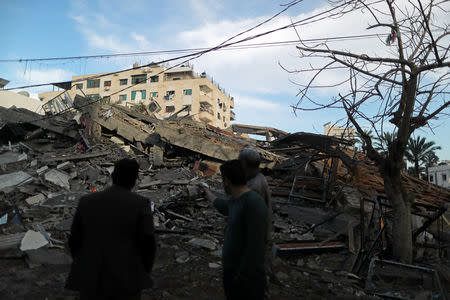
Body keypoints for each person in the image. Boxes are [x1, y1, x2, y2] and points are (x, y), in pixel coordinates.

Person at [66, 158, 156, 300]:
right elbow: (148, 244)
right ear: (134, 180)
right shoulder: (141, 204)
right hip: (126, 279)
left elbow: (74, 240)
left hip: (91, 277)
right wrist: (143, 271)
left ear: (113, 177)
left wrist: (84, 263)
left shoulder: (87, 202)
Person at [204, 159, 267, 300]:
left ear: (226, 181)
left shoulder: (253, 203)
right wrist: (208, 193)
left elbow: (255, 248)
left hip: (245, 280)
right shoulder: (236, 200)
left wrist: (241, 278)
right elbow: (223, 205)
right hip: (233, 273)